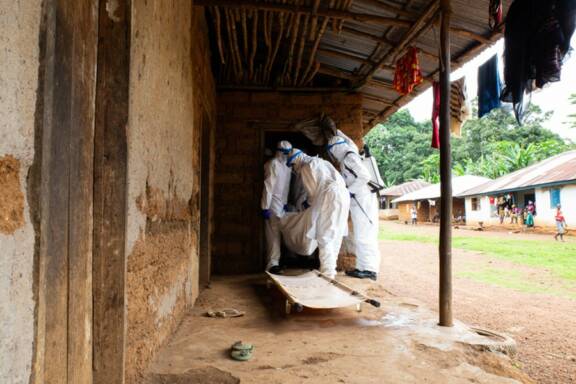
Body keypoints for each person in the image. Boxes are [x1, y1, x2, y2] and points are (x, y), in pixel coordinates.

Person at [285, 148, 350, 279]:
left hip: (330, 196)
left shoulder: (306, 166)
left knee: (324, 235)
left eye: (292, 164)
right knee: (336, 233)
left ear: (296, 159)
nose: (293, 167)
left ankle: (327, 273)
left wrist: (307, 204)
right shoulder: (321, 161)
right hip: (343, 195)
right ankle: (331, 270)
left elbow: (313, 192)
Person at [327, 136, 381, 281]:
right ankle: (362, 267)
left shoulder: (349, 157)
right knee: (360, 235)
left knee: (366, 235)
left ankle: (370, 269)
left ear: (336, 148)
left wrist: (350, 190)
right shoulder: (349, 154)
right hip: (359, 201)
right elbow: (349, 140)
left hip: (364, 200)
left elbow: (365, 176)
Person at [261, 141, 292, 274]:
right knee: (273, 235)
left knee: (279, 234)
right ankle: (272, 264)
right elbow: (269, 186)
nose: (286, 155)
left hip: (281, 205)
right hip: (272, 204)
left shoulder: (287, 166)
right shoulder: (273, 164)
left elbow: (285, 186)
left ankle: (278, 262)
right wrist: (265, 206)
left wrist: (285, 203)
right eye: (284, 152)